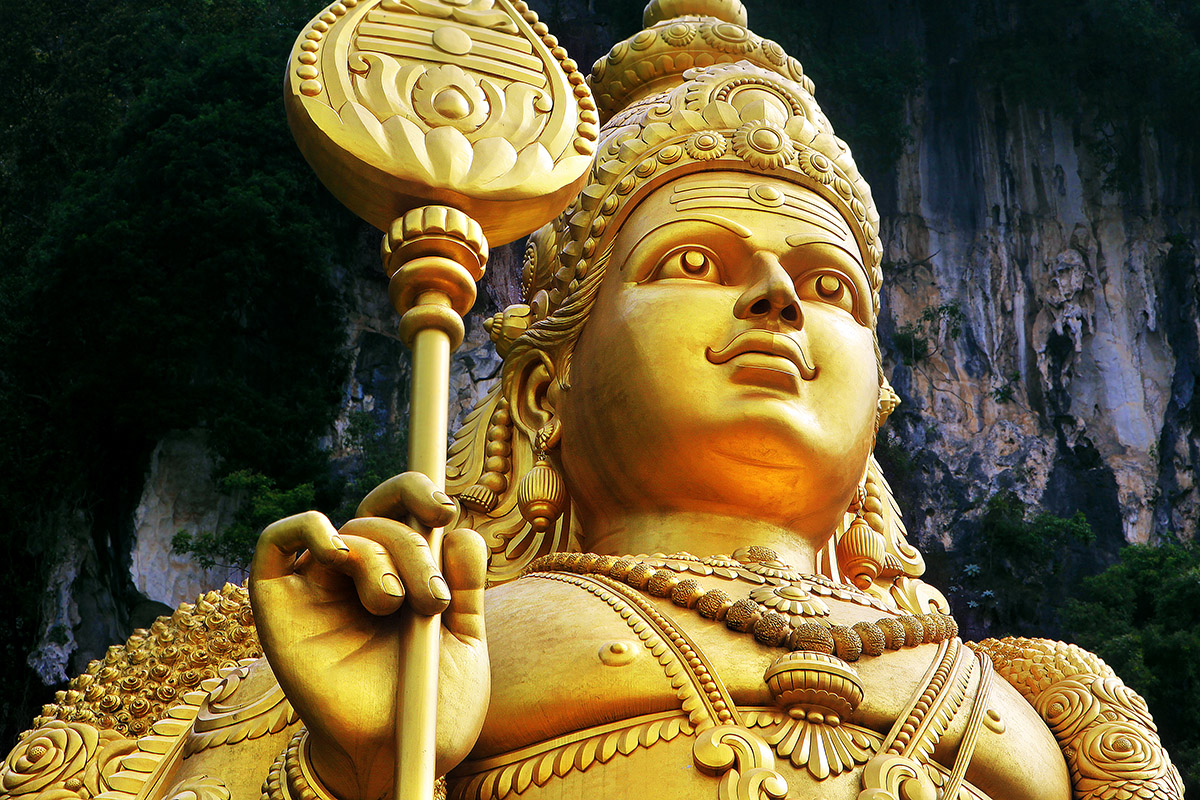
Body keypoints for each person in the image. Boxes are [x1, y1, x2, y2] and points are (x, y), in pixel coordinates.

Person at [1, 3, 1181, 800]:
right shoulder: (414, 644)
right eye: (693, 262)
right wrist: (349, 762)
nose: (776, 297)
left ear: (881, 408)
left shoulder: (1040, 703)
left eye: (829, 286)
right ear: (543, 382)